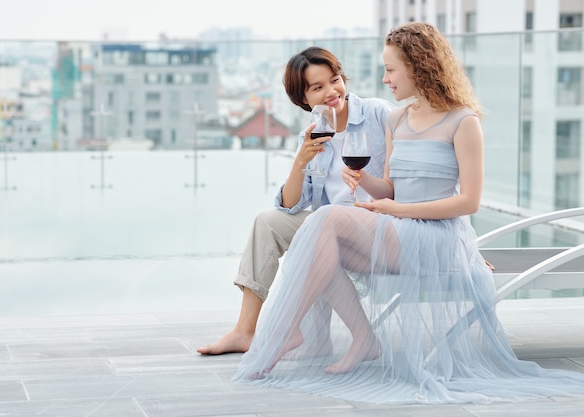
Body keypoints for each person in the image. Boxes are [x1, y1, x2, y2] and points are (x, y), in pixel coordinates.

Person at [232, 22, 584, 404]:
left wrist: (396, 209)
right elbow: (390, 189)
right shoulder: (397, 119)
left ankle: (284, 331)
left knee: (327, 219)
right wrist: (363, 179)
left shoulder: (463, 122)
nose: (384, 80)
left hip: (438, 238)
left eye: (390, 70)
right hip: (399, 232)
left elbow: (469, 202)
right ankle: (362, 338)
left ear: (418, 67)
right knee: (322, 241)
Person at [197, 47, 396, 355]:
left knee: (319, 228)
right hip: (329, 225)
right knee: (267, 221)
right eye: (318, 88)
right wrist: (300, 161)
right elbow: (290, 206)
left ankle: (294, 329)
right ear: (303, 99)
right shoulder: (315, 133)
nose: (331, 92)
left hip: (375, 225)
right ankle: (245, 331)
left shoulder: (378, 114)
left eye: (335, 80)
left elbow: (409, 177)